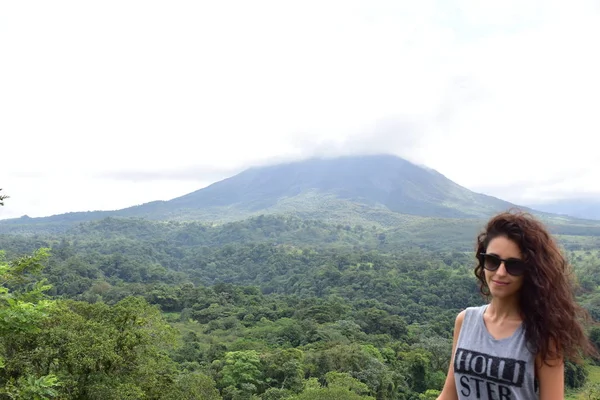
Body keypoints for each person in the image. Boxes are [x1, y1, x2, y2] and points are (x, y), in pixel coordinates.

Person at [437, 210, 596, 400]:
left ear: (531, 271)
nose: (501, 272)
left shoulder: (543, 335)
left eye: (514, 265)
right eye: (492, 261)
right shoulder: (465, 321)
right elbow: (449, 395)